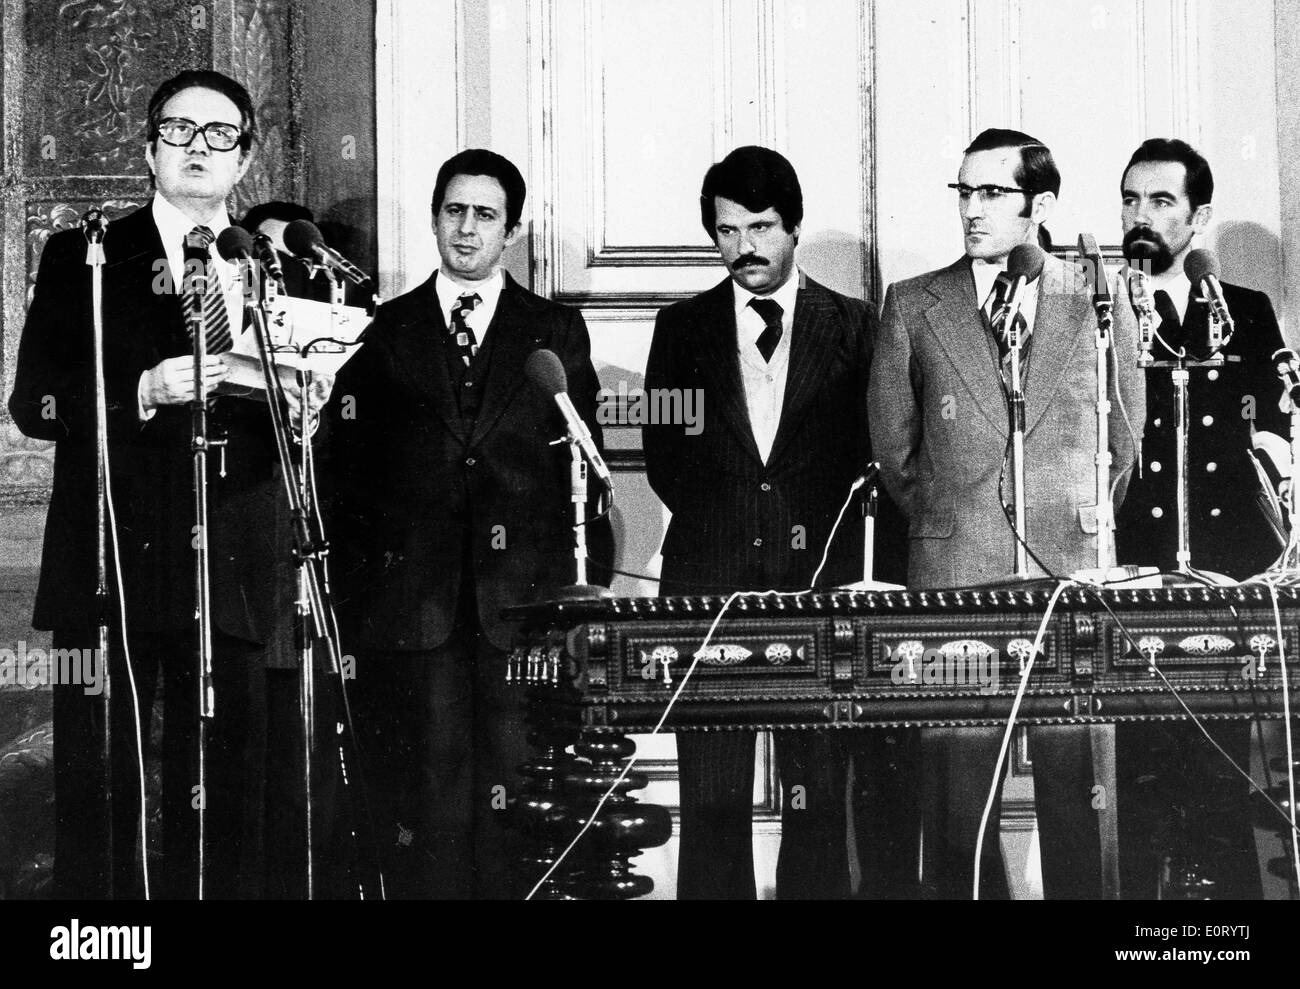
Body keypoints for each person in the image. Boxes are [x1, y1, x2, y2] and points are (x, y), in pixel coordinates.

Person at [9, 69, 321, 899]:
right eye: (178, 130)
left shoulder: (271, 261)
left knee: (229, 786)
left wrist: (309, 401)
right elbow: (34, 399)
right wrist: (143, 390)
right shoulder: (89, 253)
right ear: (149, 150)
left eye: (220, 134)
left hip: (240, 561)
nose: (197, 148)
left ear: (245, 158)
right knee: (106, 784)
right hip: (116, 552)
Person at [867, 128, 1146, 898]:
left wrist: (1073, 518)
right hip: (956, 574)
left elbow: (1124, 440)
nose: (972, 209)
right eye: (964, 192)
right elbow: (896, 452)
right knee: (958, 804)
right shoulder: (914, 304)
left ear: (1041, 204)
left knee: (1077, 794)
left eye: (991, 192)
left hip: (1072, 579)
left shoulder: (1096, 296)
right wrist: (956, 518)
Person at [327, 148, 612, 899]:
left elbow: (581, 472)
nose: (466, 227)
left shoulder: (554, 329)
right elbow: (347, 481)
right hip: (411, 616)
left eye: (485, 214)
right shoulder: (381, 331)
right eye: (454, 210)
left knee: (522, 799)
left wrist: (578, 604)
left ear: (510, 230)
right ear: (433, 218)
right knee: (428, 808)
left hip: (523, 614)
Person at [643, 145, 910, 900]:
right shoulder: (680, 328)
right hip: (707, 594)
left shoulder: (857, 327)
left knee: (818, 803)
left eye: (760, 227)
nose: (745, 248)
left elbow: (877, 460)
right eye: (727, 231)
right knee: (713, 806)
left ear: (794, 227)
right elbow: (666, 454)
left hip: (820, 599)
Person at [1114, 137, 1283, 899]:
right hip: (1135, 562)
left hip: (1226, 566)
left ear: (1199, 216)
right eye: (1129, 199)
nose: (1139, 217)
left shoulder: (1242, 312)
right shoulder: (1099, 310)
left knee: (1220, 761)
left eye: (1160, 201)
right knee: (1143, 760)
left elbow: (1272, 438)